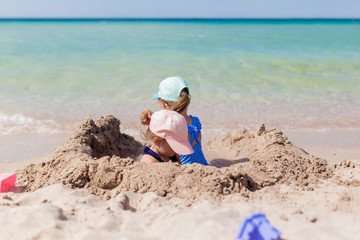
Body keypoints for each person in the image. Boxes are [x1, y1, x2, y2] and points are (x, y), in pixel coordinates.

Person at [152, 76, 208, 166]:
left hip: (188, 169)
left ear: (165, 105)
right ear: (187, 101)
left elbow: (171, 154)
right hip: (204, 165)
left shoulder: (173, 128)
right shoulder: (195, 121)